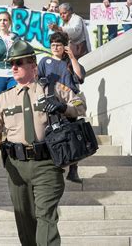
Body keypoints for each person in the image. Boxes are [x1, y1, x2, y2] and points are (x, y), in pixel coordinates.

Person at [0, 40, 86, 246]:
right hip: (16, 167)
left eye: (19, 62)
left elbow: (80, 104)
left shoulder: (53, 89)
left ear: (33, 66)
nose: (14, 67)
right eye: (12, 64)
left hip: (47, 164)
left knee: (46, 217)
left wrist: (63, 107)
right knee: (25, 223)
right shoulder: (3, 99)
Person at [38, 31, 86, 183]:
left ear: (65, 46)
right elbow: (38, 80)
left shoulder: (70, 63)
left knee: (73, 135)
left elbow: (80, 77)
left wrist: (72, 57)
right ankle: (56, 165)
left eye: (58, 45)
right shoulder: (45, 61)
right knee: (53, 134)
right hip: (52, 102)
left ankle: (73, 169)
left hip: (70, 103)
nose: (55, 48)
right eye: (53, 45)